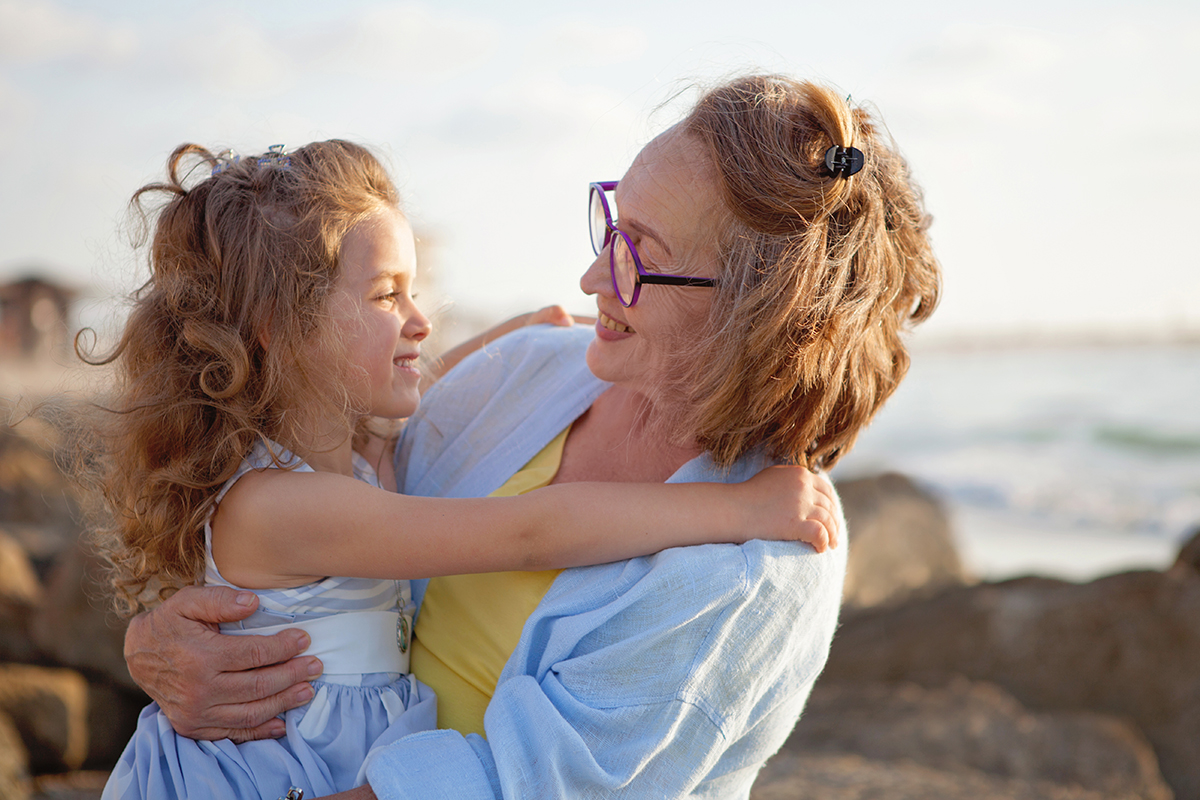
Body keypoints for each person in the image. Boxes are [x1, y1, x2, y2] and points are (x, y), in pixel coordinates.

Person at [122, 75, 940, 798]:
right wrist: (155, 645)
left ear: (747, 317)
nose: (591, 279)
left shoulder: (757, 567)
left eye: (636, 254)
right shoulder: (533, 370)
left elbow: (519, 785)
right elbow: (364, 462)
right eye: (609, 227)